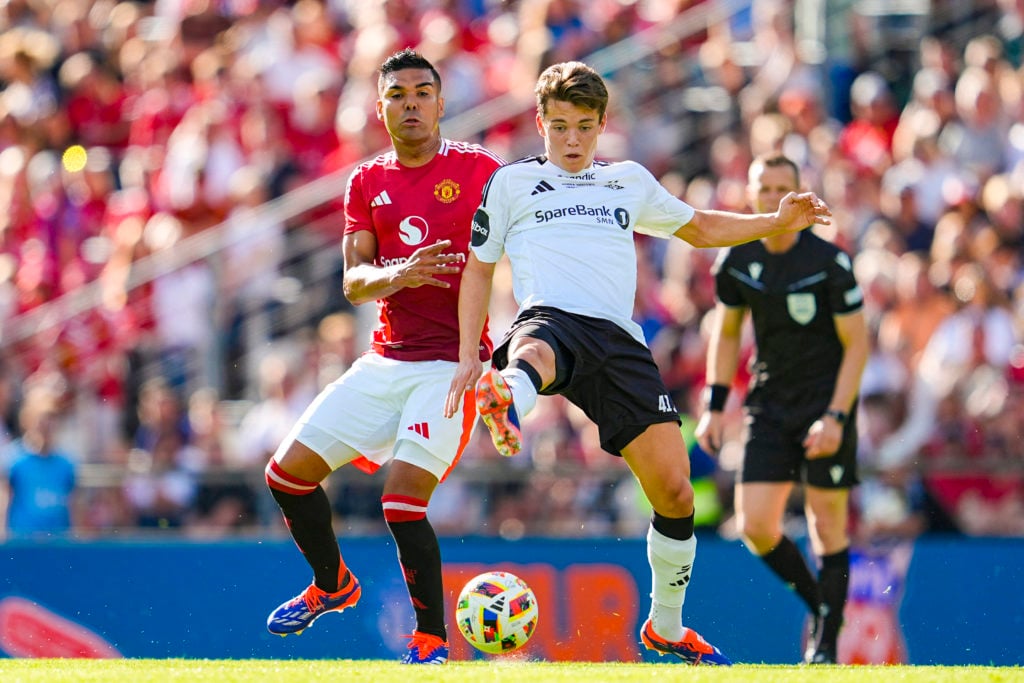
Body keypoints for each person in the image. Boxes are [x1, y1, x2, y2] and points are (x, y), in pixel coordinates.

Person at [443, 61, 832, 666]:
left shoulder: (627, 180)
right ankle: (507, 397)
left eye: (584, 127)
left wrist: (775, 221)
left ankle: (666, 627)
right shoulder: (512, 184)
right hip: (550, 315)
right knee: (537, 351)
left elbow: (699, 227)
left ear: (601, 126)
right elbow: (480, 266)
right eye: (560, 126)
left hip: (621, 345)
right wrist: (471, 348)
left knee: (676, 494)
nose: (571, 140)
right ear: (540, 122)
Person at [263, 49, 503, 665]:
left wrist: (506, 367)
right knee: (285, 476)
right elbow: (353, 281)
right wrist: (399, 273)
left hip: (450, 365)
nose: (412, 103)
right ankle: (333, 585)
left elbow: (517, 255)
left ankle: (429, 638)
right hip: (385, 359)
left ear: (442, 103)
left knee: (401, 501)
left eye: (423, 92)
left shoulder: (482, 171)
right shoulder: (366, 180)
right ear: (381, 108)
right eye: (398, 95)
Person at [694, 153, 869, 664]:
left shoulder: (828, 261)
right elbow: (726, 332)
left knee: (827, 525)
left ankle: (827, 647)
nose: (773, 197)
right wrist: (714, 405)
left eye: (782, 188)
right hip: (769, 404)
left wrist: (836, 417)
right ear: (750, 196)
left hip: (825, 404)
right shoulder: (737, 257)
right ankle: (822, 607)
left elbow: (857, 346)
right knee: (755, 525)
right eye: (764, 188)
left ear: (800, 195)